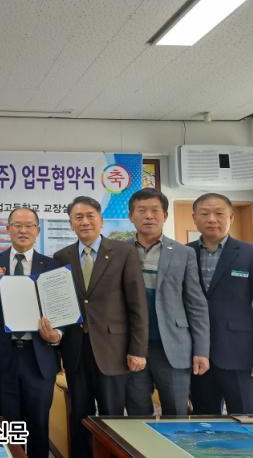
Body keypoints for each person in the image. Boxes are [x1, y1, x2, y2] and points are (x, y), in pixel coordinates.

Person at [53, 196, 148, 458]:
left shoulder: (123, 252)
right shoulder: (61, 257)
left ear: (101, 220)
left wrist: (137, 349)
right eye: (78, 217)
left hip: (113, 350)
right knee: (79, 416)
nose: (84, 222)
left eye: (90, 216)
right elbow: (58, 305)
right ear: (71, 224)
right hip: (75, 351)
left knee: (112, 417)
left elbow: (137, 305)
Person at [0, 207, 62, 458]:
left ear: (38, 230)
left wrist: (57, 335)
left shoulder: (51, 265)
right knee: (8, 425)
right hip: (3, 356)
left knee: (38, 423)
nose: (23, 230)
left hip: (38, 356)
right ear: (8, 229)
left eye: (29, 226)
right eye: (17, 225)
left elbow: (61, 309)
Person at [125, 188, 209, 416]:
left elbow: (196, 304)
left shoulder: (184, 253)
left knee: (177, 414)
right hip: (132, 347)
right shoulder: (120, 251)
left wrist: (201, 351)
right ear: (131, 216)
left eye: (155, 210)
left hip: (173, 347)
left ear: (165, 215)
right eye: (141, 210)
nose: (148, 216)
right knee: (137, 415)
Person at [188, 193, 253, 415]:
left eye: (219, 213)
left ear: (231, 218)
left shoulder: (252, 254)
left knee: (247, 421)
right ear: (195, 218)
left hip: (242, 357)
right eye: (205, 213)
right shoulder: (184, 253)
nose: (212, 219)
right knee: (205, 424)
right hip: (198, 358)